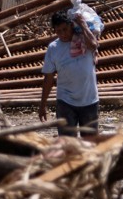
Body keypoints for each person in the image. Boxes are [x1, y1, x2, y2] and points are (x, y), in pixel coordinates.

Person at [39, 9, 100, 137]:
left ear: (71, 25)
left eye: (65, 29)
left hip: (89, 101)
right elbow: (48, 78)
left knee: (90, 144)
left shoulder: (84, 40)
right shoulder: (53, 48)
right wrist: (43, 105)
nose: (63, 34)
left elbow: (94, 45)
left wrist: (83, 24)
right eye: (58, 31)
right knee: (67, 144)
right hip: (65, 102)